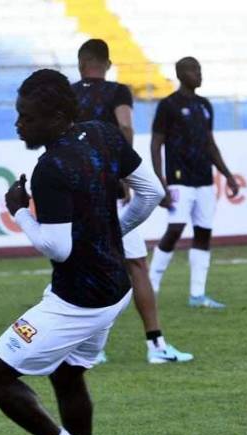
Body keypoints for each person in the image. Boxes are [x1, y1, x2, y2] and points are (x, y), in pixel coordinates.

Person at [0, 69, 163, 435]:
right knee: (67, 372)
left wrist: (19, 211)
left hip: (79, 299)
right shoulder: (102, 133)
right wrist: (112, 232)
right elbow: (150, 192)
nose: (19, 125)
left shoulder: (50, 168)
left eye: (26, 117)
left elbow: (57, 248)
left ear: (57, 117)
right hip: (116, 288)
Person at [71, 39, 193, 364]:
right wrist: (122, 173)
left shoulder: (68, 94)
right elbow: (125, 125)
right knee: (136, 264)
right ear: (106, 64)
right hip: (108, 192)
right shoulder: (116, 92)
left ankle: (88, 350)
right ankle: (155, 347)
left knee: (86, 267)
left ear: (81, 63)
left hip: (76, 192)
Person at [148, 57, 240, 309]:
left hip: (204, 180)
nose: (199, 74)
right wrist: (160, 181)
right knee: (175, 229)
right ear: (180, 74)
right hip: (179, 179)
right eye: (194, 70)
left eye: (200, 69)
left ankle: (197, 295)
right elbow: (156, 144)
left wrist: (228, 175)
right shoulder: (168, 105)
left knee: (203, 233)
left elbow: (210, 144)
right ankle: (151, 285)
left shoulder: (204, 105)